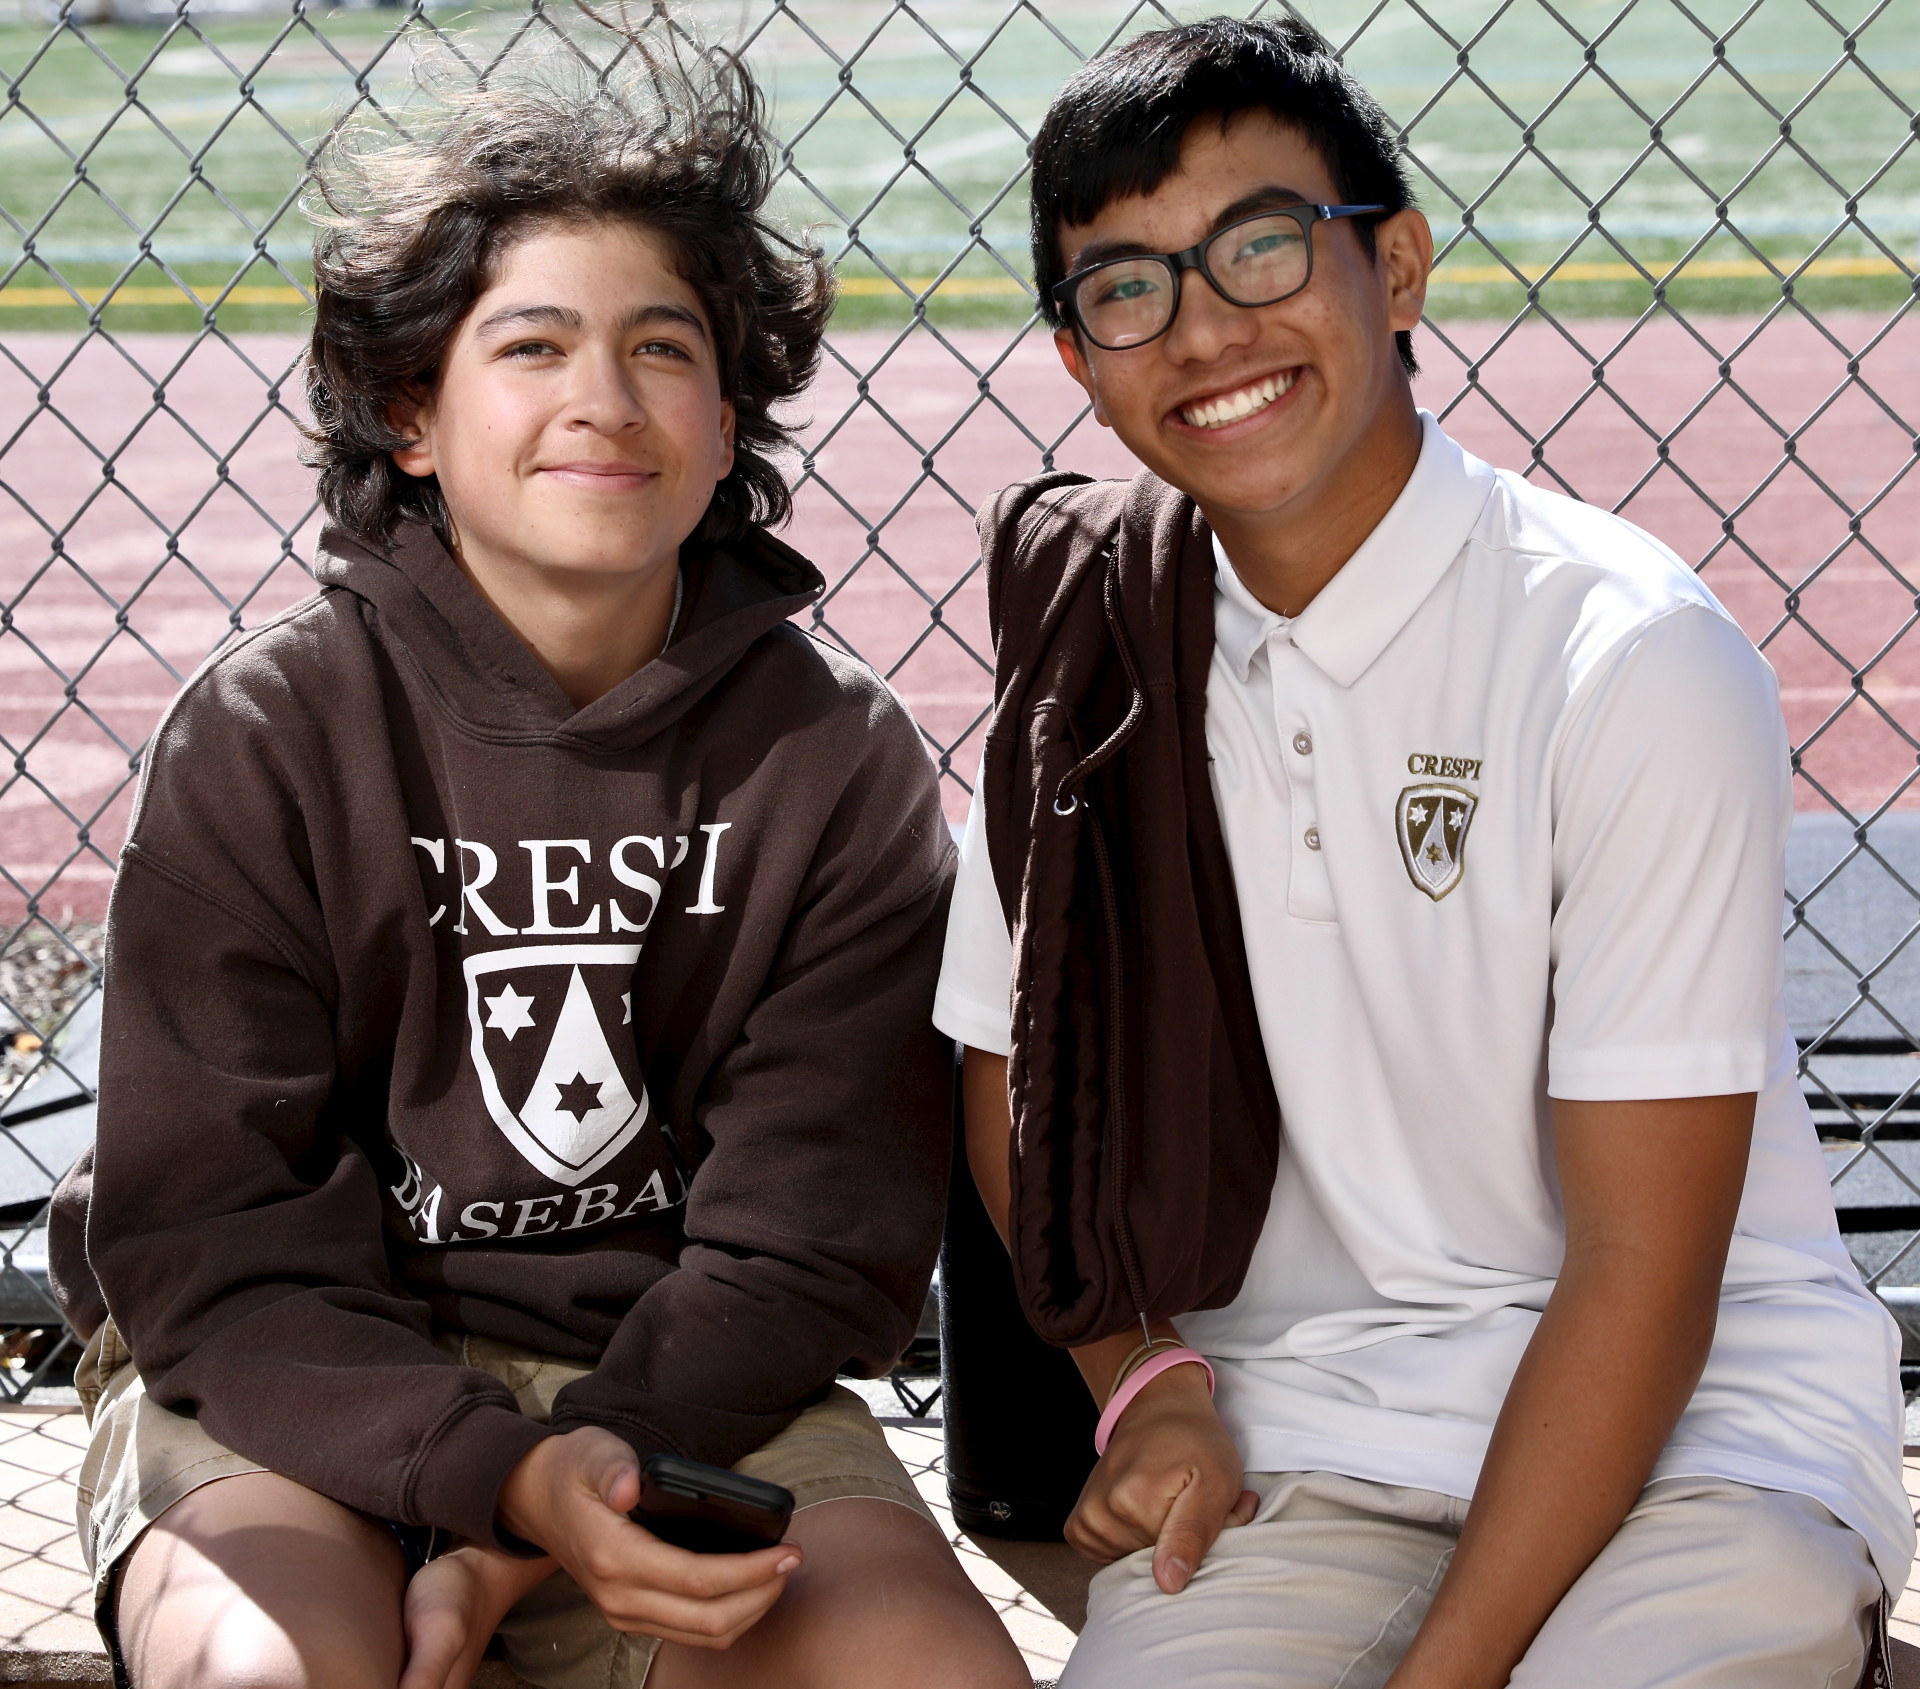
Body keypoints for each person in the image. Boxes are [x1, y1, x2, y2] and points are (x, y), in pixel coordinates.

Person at [933, 15, 1914, 1687]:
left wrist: (1440, 1676)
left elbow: (1641, 1268)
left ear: (1396, 264)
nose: (1206, 328)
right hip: (1308, 1441)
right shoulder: (1097, 651)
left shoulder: (1624, 652)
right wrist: (1144, 1380)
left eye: (1258, 247)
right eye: (1128, 287)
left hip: (1703, 1427)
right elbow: (1008, 1078)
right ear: (1081, 359)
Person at [46, 25, 1028, 1689]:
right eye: (532, 344)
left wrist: (567, 1490)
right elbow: (213, 1234)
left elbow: (810, 1234)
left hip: (680, 1385)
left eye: (662, 348)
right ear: (411, 414)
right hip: (293, 1382)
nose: (602, 395)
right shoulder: (271, 732)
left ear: (726, 427)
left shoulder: (834, 761)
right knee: (275, 1667)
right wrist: (486, 1474)